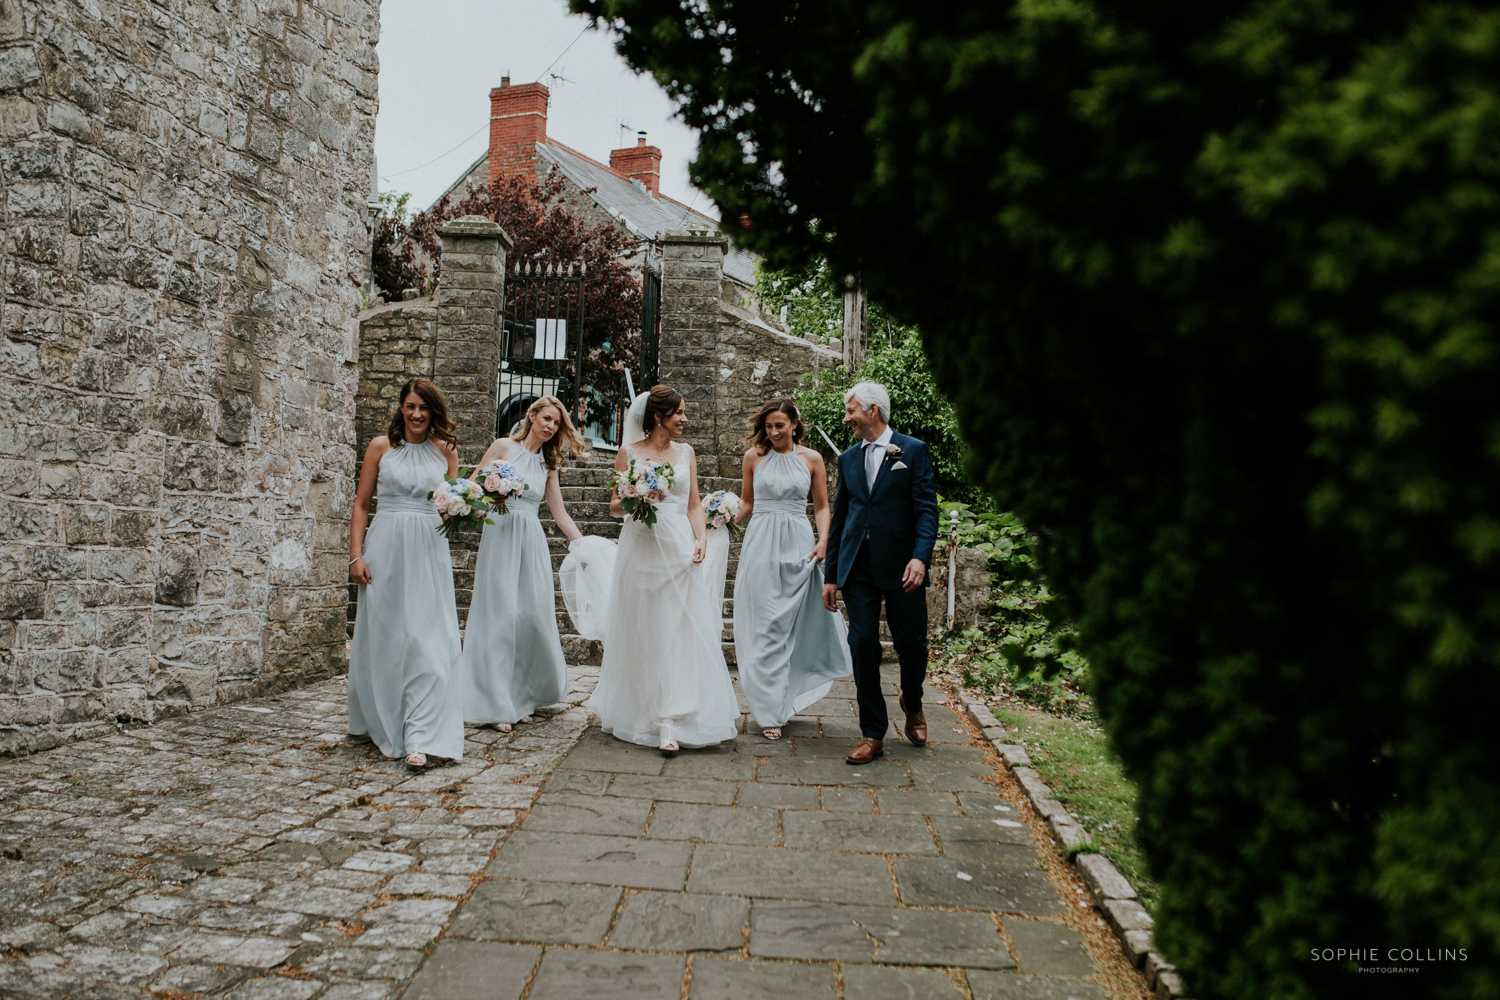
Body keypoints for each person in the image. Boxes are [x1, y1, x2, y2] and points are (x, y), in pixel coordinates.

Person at [587, 385, 740, 752]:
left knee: (678, 631)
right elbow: (613, 507)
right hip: (640, 547)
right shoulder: (629, 453)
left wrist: (701, 538)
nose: (685, 419)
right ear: (659, 417)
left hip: (679, 548)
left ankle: (671, 718)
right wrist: (638, 496)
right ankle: (643, 714)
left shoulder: (686, 453)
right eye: (679, 414)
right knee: (644, 630)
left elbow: (691, 505)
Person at [348, 378, 465, 769]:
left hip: (429, 549)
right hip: (385, 548)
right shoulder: (381, 447)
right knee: (388, 638)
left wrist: (470, 506)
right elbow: (362, 504)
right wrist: (356, 556)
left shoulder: (446, 451)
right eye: (410, 406)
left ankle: (419, 735)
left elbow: (449, 507)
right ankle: (385, 720)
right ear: (401, 407)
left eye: (424, 408)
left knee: (427, 641)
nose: (416, 414)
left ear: (433, 412)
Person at [821, 381, 939, 764]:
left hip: (904, 566)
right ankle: (873, 732)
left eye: (851, 410)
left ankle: (913, 700)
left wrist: (920, 557)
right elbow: (840, 520)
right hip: (859, 567)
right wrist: (831, 576)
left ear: (873, 411)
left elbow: (926, 510)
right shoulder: (848, 459)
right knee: (862, 644)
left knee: (912, 646)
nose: (846, 418)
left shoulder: (913, 451)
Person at [461, 396, 585, 733]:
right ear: (531, 416)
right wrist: (488, 496)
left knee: (529, 617)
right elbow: (471, 489)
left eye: (556, 423)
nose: (550, 427)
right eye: (546, 419)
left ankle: (520, 697)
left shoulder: (548, 464)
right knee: (500, 616)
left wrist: (582, 546)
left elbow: (559, 512)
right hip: (501, 536)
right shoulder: (503, 447)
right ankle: (495, 703)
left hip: (530, 542)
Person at [733, 399, 852, 739]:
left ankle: (782, 699)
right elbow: (748, 503)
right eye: (769, 426)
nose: (773, 432)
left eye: (780, 426)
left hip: (799, 544)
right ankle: (769, 710)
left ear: (795, 424)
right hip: (761, 544)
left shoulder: (811, 459)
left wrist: (823, 541)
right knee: (768, 625)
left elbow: (822, 506)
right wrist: (722, 518)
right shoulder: (754, 457)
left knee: (790, 626)